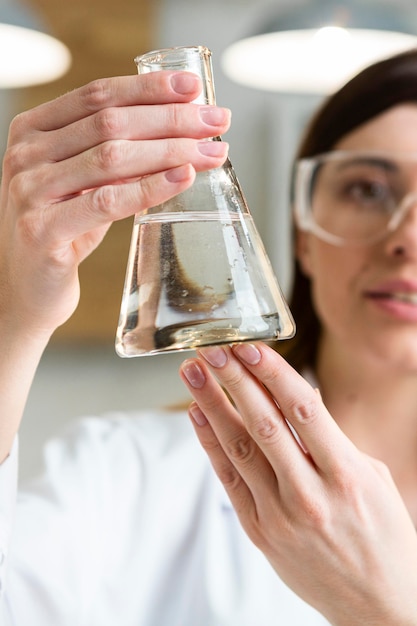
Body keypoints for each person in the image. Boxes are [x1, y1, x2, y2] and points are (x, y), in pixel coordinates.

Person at [0, 46, 416, 625]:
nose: (407, 240)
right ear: (301, 235)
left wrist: (384, 608)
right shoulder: (126, 474)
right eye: (368, 190)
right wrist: (11, 321)